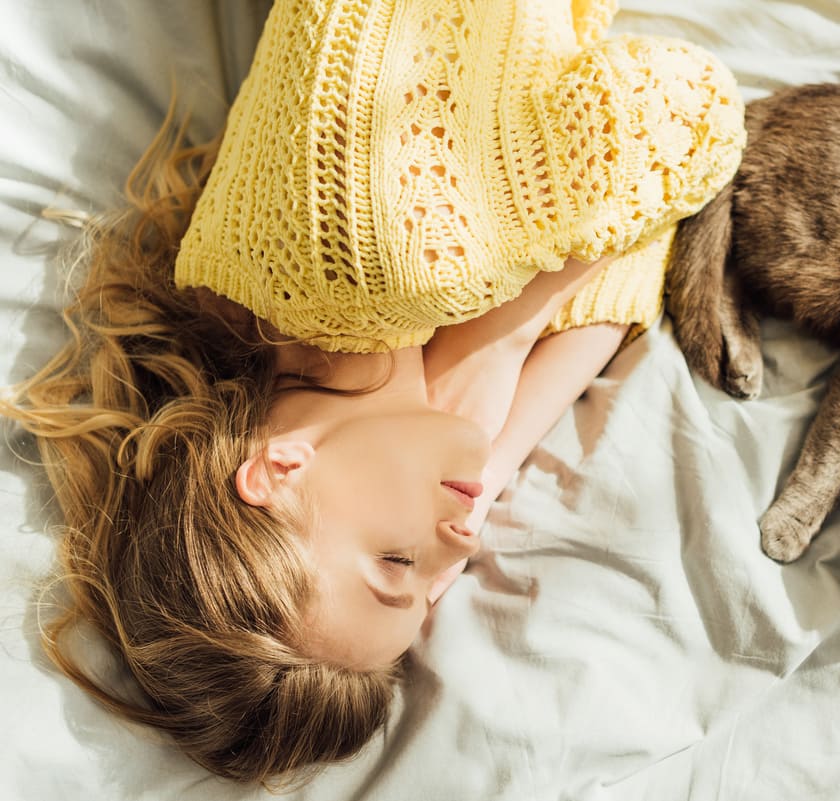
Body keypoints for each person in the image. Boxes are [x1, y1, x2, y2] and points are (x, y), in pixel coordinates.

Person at [1, 0, 744, 785]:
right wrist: (494, 426)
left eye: (397, 561)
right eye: (429, 593)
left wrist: (507, 334)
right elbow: (636, 244)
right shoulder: (252, 301)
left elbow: (696, 111)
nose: (461, 538)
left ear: (278, 470)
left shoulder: (390, 261)